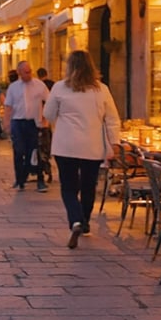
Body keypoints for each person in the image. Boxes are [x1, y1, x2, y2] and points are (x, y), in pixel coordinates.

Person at [43, 50, 122, 249]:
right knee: (88, 186)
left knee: (68, 187)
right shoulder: (101, 90)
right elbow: (112, 119)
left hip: (65, 145)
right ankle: (85, 222)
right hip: (92, 146)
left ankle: (75, 220)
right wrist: (115, 143)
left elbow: (49, 114)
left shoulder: (60, 88)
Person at [2, 61, 50, 192]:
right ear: (19, 73)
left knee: (34, 152)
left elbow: (49, 102)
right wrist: (6, 123)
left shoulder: (40, 85)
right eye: (25, 72)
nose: (29, 74)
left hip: (34, 123)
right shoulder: (13, 87)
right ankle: (19, 179)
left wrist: (45, 118)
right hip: (18, 122)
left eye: (30, 71)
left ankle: (37, 179)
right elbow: (8, 106)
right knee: (19, 151)